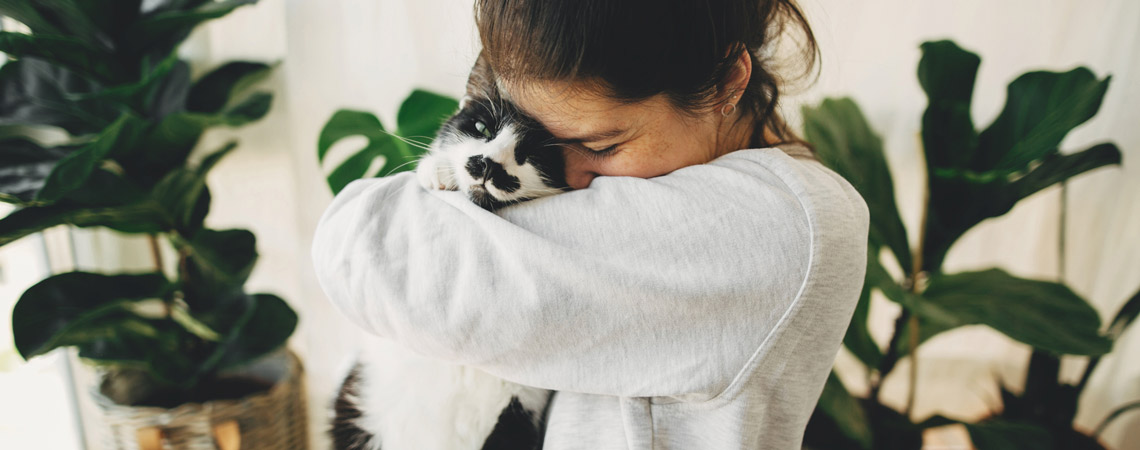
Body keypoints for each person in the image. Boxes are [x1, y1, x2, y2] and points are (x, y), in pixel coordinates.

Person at [311, 0, 870, 448]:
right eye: (545, 143)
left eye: (601, 145)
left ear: (727, 83)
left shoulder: (773, 224)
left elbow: (362, 251)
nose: (569, 179)